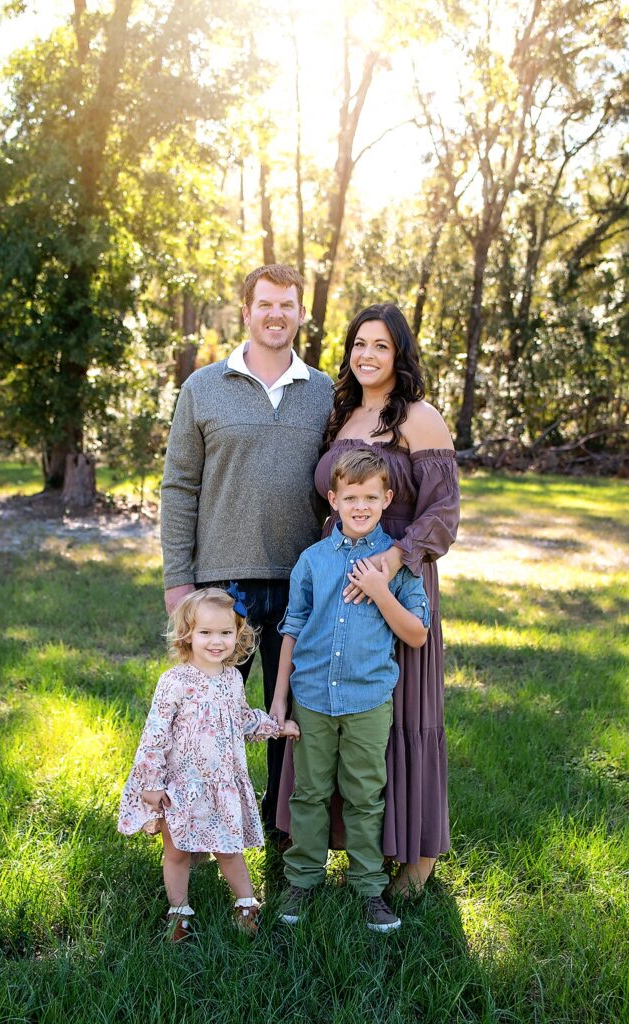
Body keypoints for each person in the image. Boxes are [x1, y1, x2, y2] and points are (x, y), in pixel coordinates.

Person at [276, 302, 460, 899]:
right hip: (335, 582)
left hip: (397, 577)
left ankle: (415, 858)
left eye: (381, 345)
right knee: (334, 710)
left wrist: (395, 559)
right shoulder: (345, 417)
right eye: (359, 343)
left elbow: (444, 512)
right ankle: (323, 853)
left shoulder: (421, 418)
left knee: (402, 714)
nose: (367, 355)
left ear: (399, 353)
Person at [159, 264, 333, 838]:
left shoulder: (327, 394)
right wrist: (178, 581)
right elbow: (179, 487)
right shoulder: (202, 388)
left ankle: (283, 831)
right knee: (209, 718)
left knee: (292, 718)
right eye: (265, 304)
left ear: (300, 313)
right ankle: (199, 830)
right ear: (246, 312)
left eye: (287, 305)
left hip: (301, 580)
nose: (276, 315)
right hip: (220, 587)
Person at [269, 448, 430, 931]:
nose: (361, 506)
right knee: (311, 792)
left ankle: (369, 889)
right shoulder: (312, 561)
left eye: (371, 497)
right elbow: (292, 627)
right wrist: (279, 697)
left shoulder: (397, 565)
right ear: (333, 499)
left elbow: (418, 634)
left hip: (367, 700)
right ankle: (301, 880)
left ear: (387, 499)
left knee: (364, 796)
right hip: (312, 698)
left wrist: (381, 590)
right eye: (351, 497)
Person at [117, 587, 300, 941]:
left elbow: (242, 720)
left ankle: (246, 905)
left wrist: (277, 727)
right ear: (188, 634)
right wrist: (151, 783)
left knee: (229, 849)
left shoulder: (232, 678)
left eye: (225, 633)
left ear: (238, 634)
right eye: (206, 633)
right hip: (181, 786)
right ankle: (179, 913)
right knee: (178, 852)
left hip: (222, 783)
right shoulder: (174, 682)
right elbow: (154, 735)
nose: (216, 641)